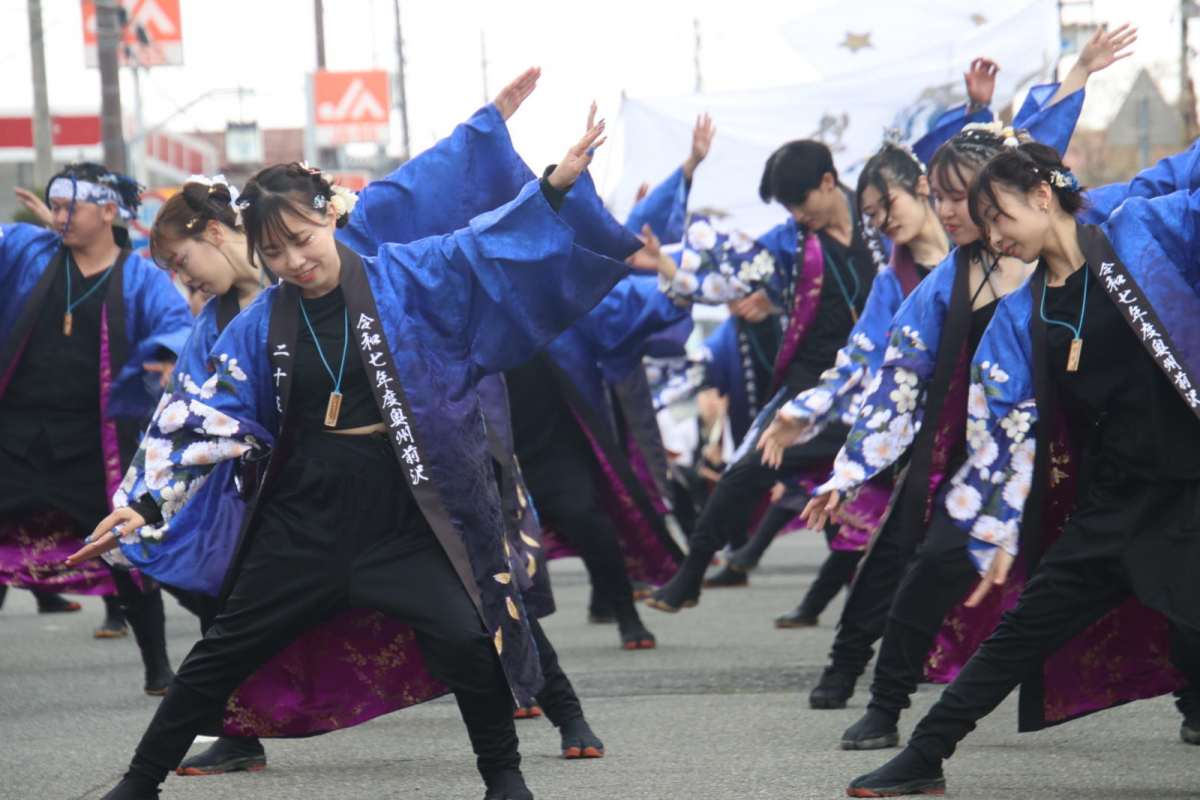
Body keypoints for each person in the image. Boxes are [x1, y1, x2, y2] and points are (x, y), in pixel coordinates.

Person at [72, 111, 629, 800]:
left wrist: (552, 187)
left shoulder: (408, 275)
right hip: (306, 515)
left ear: (330, 215)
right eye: (274, 253)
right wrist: (143, 503)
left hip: (404, 511)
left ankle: (505, 780)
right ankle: (139, 782)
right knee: (221, 652)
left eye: (301, 240)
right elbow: (202, 417)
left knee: (467, 635)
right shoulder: (257, 324)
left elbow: (483, 245)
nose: (292, 262)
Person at [846, 141, 1200, 797]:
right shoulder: (1021, 313)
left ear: (1042, 196)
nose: (994, 236)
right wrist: (998, 526)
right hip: (1112, 506)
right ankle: (924, 754)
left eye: (1000, 216)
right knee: (1021, 630)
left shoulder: (1144, 229)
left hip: (1192, 493)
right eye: (985, 224)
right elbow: (1003, 431)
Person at [0, 162, 193, 694]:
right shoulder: (28, 251)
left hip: (92, 441)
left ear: (109, 211)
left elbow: (178, 328)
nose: (58, 217)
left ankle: (157, 666)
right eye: (55, 207)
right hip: (13, 432)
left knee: (119, 546)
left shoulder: (141, 277)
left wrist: (162, 361)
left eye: (70, 208)